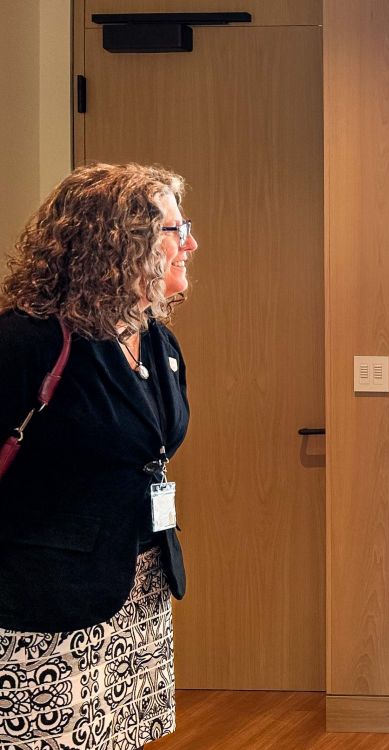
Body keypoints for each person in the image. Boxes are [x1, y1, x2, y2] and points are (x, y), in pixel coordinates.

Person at [0, 163, 196, 749]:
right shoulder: (29, 339)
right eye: (173, 230)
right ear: (118, 242)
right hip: (43, 599)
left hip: (135, 582)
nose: (190, 243)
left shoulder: (154, 335)